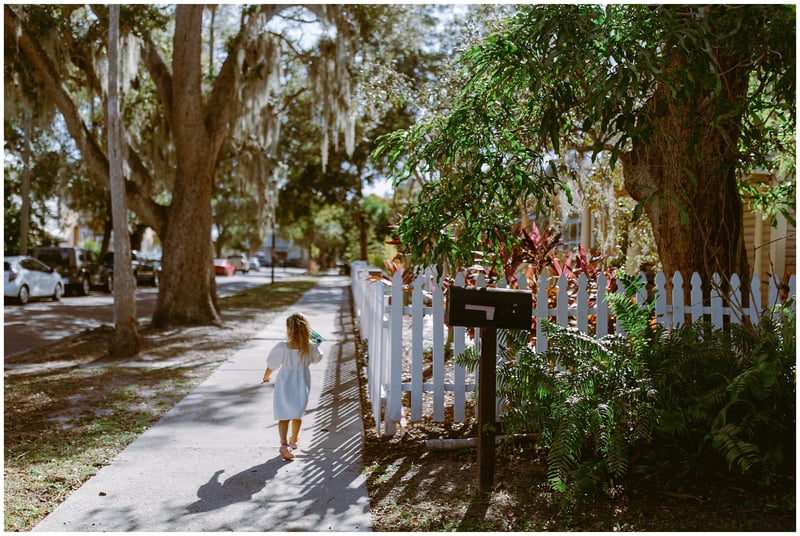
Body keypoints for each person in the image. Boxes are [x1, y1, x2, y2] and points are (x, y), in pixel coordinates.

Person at [262, 313, 323, 460]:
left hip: (285, 383)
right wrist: (318, 343)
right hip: (302, 383)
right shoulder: (310, 347)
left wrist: (266, 376)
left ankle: (283, 445)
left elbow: (272, 364)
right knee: (297, 413)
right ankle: (294, 441)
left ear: (288, 329)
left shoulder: (282, 347)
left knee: (283, 415)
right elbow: (317, 359)